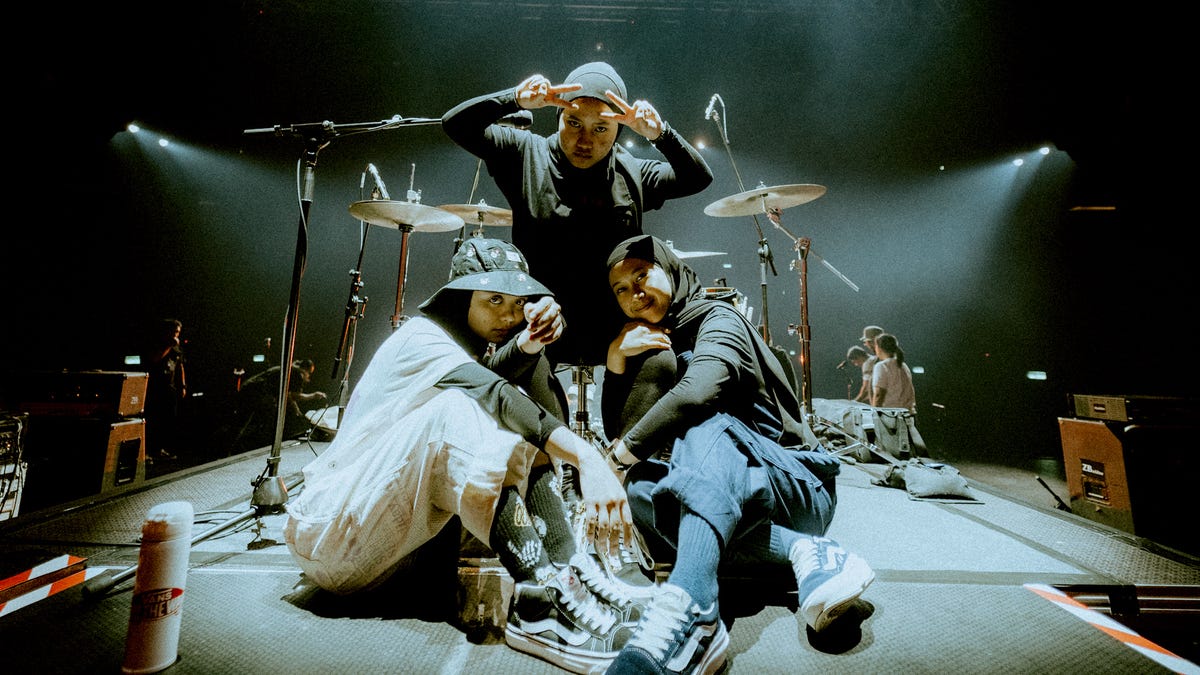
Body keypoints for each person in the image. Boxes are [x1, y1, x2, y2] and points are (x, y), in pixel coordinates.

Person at [283, 239, 653, 675]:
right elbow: (495, 393)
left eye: (517, 303)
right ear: (461, 297)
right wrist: (588, 458)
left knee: (514, 412)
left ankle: (568, 572)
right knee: (463, 410)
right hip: (333, 539)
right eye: (494, 300)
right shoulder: (423, 338)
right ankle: (538, 604)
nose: (509, 316)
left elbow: (519, 398)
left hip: (394, 552)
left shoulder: (470, 350)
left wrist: (531, 342)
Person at [598, 236, 874, 675]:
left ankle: (691, 604)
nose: (635, 294)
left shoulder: (719, 319)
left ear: (670, 270)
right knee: (643, 486)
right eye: (621, 289)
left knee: (701, 425)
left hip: (797, 487)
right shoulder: (654, 339)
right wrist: (615, 359)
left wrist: (614, 460)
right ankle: (804, 551)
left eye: (642, 276)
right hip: (734, 497)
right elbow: (624, 430)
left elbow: (698, 392)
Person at [441, 61, 714, 371]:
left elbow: (698, 178)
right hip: (540, 323)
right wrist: (515, 98)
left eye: (601, 128)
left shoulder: (632, 171)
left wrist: (660, 134)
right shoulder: (525, 154)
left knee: (662, 365)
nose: (585, 140)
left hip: (617, 331)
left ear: (619, 129)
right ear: (558, 116)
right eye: (573, 123)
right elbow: (455, 124)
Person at [141, 318, 187, 461]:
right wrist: (168, 346)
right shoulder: (157, 344)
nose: (176, 335)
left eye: (178, 332)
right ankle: (147, 451)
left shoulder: (177, 347)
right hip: (155, 387)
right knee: (153, 419)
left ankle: (159, 449)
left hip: (170, 387)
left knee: (167, 420)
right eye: (173, 331)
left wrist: (183, 385)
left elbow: (180, 365)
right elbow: (155, 359)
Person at [871, 332, 916, 413]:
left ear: (879, 348)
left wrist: (874, 413)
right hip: (907, 413)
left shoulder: (881, 366)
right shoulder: (903, 365)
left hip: (890, 415)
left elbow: (879, 395)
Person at [853, 325, 885, 404]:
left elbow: (866, 390)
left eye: (865, 342)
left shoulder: (874, 363)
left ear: (871, 342)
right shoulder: (894, 359)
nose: (865, 345)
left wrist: (852, 404)